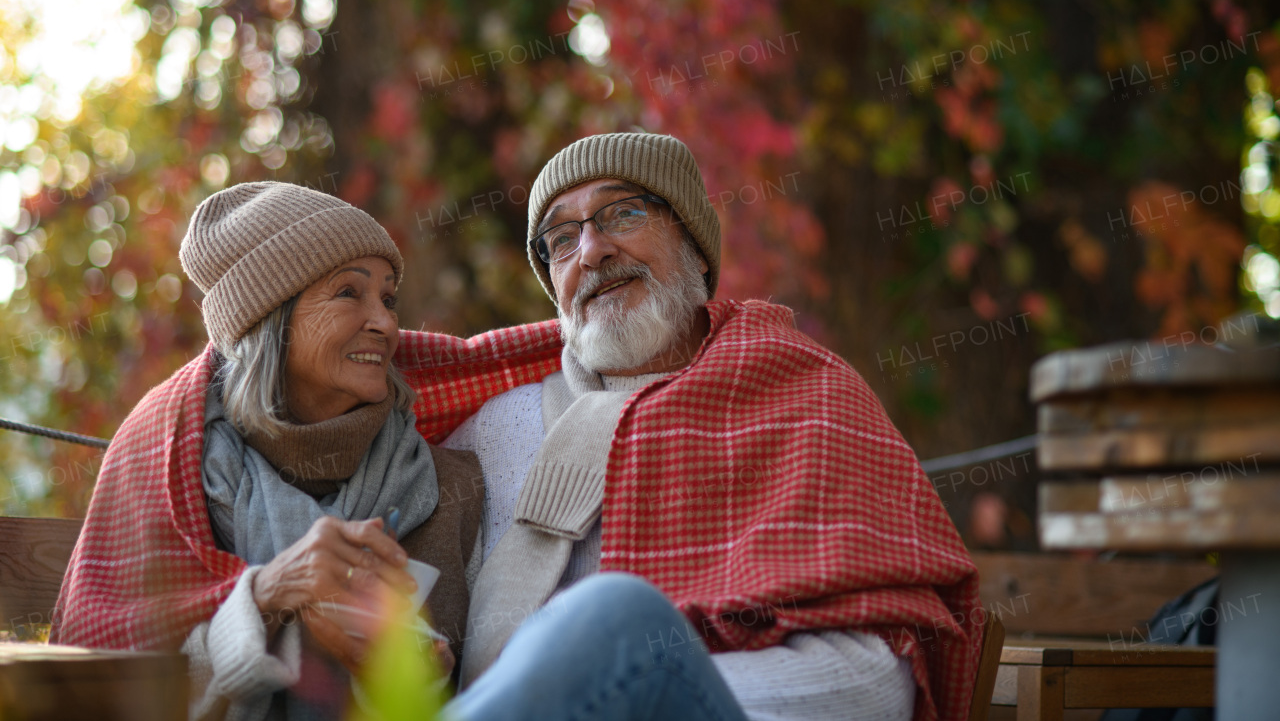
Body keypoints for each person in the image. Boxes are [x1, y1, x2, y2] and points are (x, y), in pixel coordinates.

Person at [429, 132, 983, 721]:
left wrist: (623, 682)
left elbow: (873, 687)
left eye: (622, 213)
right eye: (561, 240)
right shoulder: (490, 434)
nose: (591, 251)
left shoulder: (805, 397)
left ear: (693, 244)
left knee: (616, 617)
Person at [51, 182, 562, 720]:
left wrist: (408, 677)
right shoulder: (169, 463)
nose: (386, 323)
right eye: (349, 293)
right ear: (272, 319)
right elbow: (103, 672)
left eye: (388, 298)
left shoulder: (444, 484)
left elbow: (459, 692)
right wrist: (269, 594)